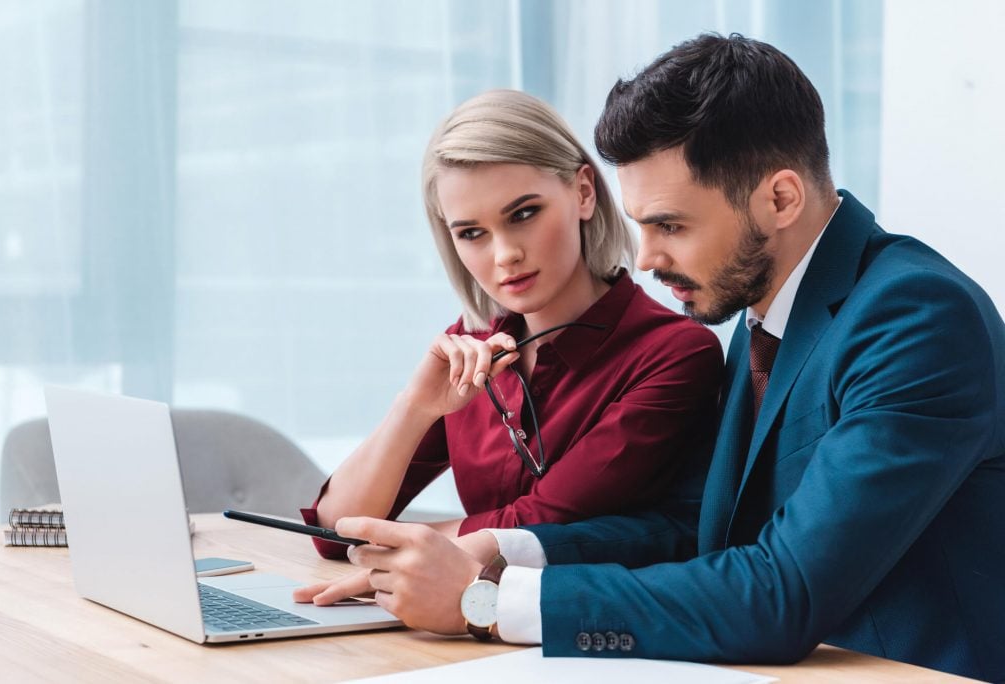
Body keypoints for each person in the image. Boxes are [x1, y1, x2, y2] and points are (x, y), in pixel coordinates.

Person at [326, 35, 1005, 682]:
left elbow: (783, 590)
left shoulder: (915, 318)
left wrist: (488, 604)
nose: (645, 259)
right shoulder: (764, 318)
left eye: (670, 227)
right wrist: (504, 553)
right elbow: (692, 530)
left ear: (780, 199)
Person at [294, 90, 723, 591]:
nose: (505, 255)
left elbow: (543, 523)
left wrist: (412, 544)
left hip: (581, 630)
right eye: (472, 233)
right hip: (457, 622)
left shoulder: (673, 353)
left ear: (584, 192)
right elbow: (335, 533)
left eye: (523, 214)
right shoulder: (469, 344)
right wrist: (414, 407)